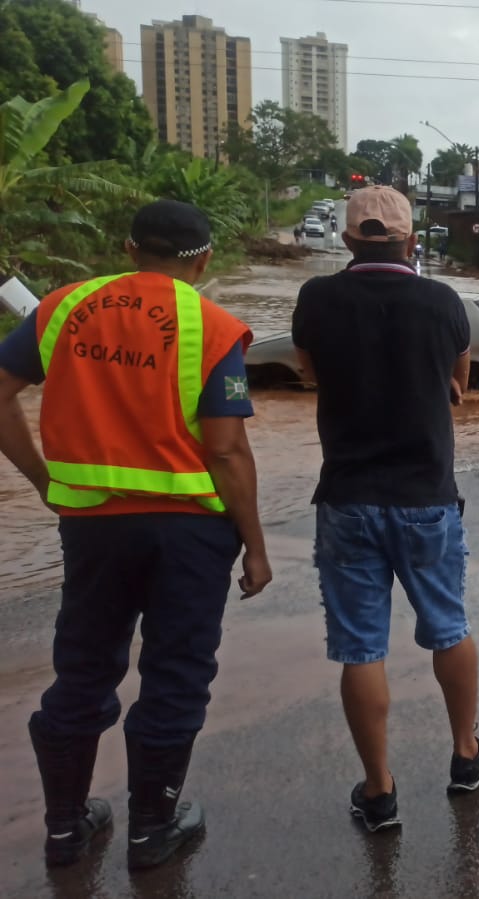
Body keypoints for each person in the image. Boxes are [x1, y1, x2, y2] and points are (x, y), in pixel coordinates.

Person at [0, 200, 270, 870]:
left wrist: (40, 477)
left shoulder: (60, 307)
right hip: (190, 531)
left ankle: (65, 826)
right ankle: (153, 827)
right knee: (176, 670)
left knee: (85, 666)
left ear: (128, 249)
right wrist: (256, 544)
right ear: (204, 260)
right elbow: (229, 450)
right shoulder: (211, 325)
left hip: (92, 526)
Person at [292, 185, 479, 833]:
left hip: (347, 498)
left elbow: (306, 374)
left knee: (361, 649)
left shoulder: (316, 299)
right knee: (449, 626)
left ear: (348, 240)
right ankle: (466, 755)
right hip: (426, 499)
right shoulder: (443, 303)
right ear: (413, 242)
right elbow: (460, 385)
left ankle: (379, 792)